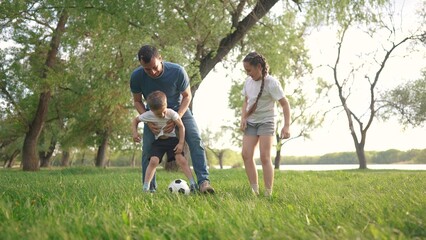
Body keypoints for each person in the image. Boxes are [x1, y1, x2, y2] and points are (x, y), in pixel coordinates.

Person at [130, 44, 215, 194]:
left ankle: (203, 183)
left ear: (160, 58)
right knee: (148, 150)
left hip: (178, 110)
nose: (152, 72)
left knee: (195, 139)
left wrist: (177, 119)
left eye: (155, 67)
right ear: (141, 65)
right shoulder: (136, 77)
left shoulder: (177, 71)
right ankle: (149, 188)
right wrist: (149, 121)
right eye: (147, 69)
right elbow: (137, 101)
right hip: (154, 114)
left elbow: (187, 96)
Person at [240, 52, 291, 197]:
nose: (248, 74)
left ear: (259, 67)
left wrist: (286, 125)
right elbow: (246, 101)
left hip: (267, 122)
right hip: (251, 122)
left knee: (264, 157)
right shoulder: (248, 81)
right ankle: (254, 191)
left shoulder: (272, 83)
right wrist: (243, 117)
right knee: (246, 154)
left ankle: (268, 193)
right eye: (246, 71)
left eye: (249, 70)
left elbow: (285, 104)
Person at [132, 91, 197, 193]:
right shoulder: (148, 115)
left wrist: (181, 143)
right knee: (153, 161)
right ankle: (146, 187)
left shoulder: (171, 113)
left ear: (166, 105)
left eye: (163, 111)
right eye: (158, 114)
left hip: (172, 141)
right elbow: (135, 120)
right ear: (152, 111)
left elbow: (181, 127)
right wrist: (135, 133)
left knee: (181, 160)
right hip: (159, 143)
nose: (162, 115)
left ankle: (193, 184)